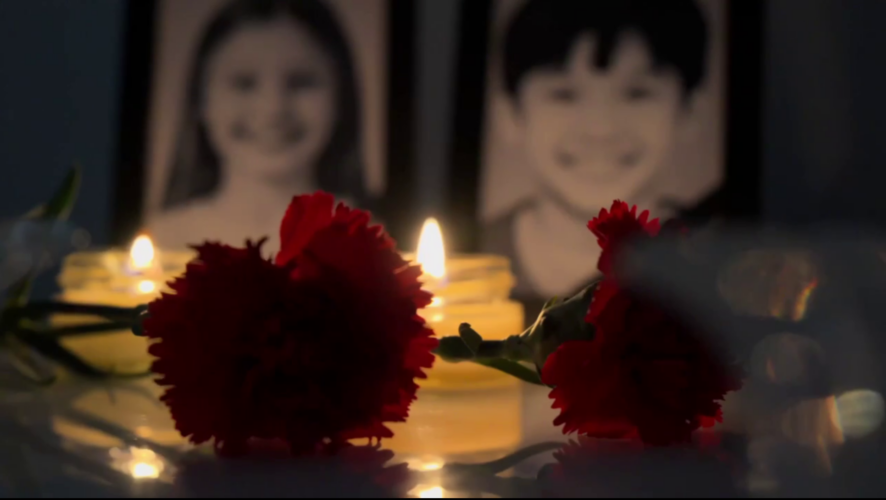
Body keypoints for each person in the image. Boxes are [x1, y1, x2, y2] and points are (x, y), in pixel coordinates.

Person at [483, 0, 710, 311]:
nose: (600, 129)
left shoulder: (722, 264)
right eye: (564, 95)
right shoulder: (468, 258)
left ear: (690, 111)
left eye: (637, 93)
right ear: (510, 113)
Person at [150, 0, 367, 252]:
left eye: (301, 82)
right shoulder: (164, 243)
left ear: (341, 97)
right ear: (201, 100)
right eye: (244, 83)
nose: (273, 108)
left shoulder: (369, 241)